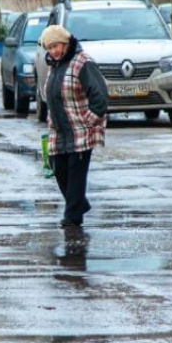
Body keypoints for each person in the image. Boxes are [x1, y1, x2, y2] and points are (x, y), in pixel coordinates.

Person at [40, 24, 108, 228]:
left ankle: (72, 218)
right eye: (49, 48)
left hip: (81, 130)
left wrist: (90, 120)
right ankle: (79, 204)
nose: (53, 51)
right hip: (59, 131)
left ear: (66, 42)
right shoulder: (55, 65)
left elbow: (100, 95)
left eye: (56, 46)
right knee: (58, 168)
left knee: (76, 175)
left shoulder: (82, 62)